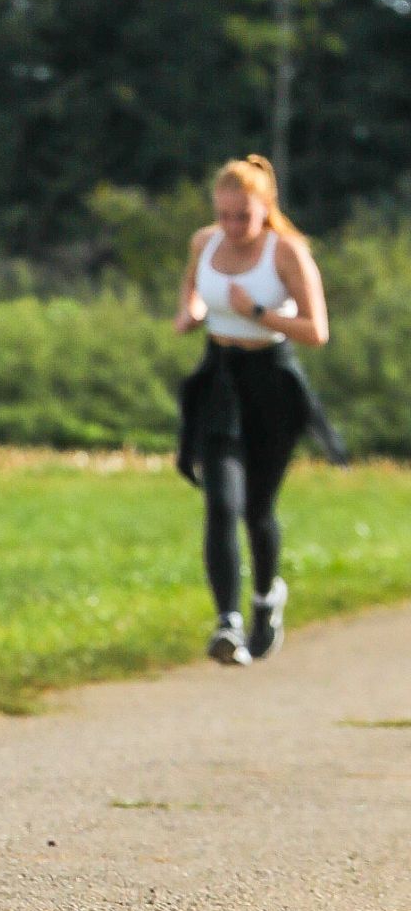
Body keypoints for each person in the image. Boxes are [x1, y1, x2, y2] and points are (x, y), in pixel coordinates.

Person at [173, 154, 337, 665]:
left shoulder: (286, 252)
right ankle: (228, 623)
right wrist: (192, 315)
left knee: (258, 510)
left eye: (243, 216)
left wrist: (259, 313)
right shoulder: (204, 243)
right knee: (221, 503)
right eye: (224, 216)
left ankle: (267, 598)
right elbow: (192, 294)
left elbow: (317, 331)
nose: (232, 227)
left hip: (272, 383)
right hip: (220, 378)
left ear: (265, 208)